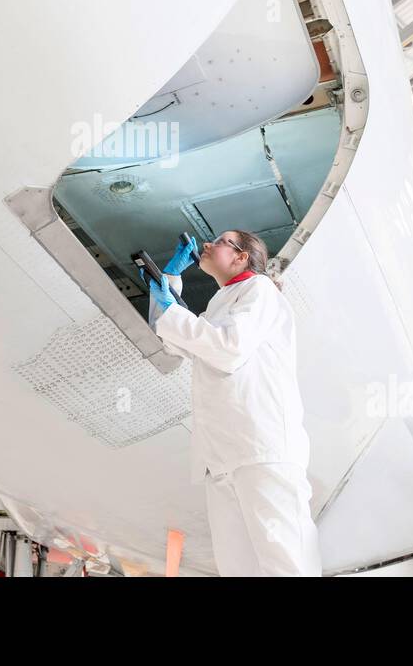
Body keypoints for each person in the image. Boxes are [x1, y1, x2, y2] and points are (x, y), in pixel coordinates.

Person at [146, 229, 321, 577]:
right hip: (223, 456)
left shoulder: (260, 290)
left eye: (220, 241)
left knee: (286, 561)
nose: (206, 246)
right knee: (238, 568)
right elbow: (178, 342)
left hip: (261, 447)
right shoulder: (221, 301)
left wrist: (170, 310)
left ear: (242, 257)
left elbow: (228, 348)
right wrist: (167, 282)